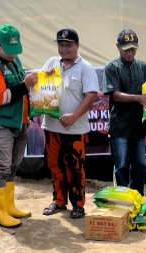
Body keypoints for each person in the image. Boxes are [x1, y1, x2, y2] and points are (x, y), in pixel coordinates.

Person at [0, 24, 39, 229]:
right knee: (1, 167)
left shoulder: (13, 59)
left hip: (19, 122)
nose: (13, 55)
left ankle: (9, 206)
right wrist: (26, 85)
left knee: (13, 166)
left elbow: (21, 89)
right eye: (9, 50)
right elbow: (1, 98)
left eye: (16, 50)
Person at [41, 29, 100, 220]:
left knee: (75, 167)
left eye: (68, 45)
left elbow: (91, 96)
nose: (64, 48)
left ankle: (78, 204)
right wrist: (43, 77)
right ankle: (59, 201)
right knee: (54, 165)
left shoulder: (86, 68)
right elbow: (39, 88)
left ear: (77, 46)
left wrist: (74, 116)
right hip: (52, 126)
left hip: (75, 128)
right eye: (61, 44)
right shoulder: (51, 63)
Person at [104, 29, 146, 195]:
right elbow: (115, 95)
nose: (130, 52)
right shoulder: (112, 67)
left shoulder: (144, 67)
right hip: (119, 127)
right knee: (122, 165)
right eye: (126, 49)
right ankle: (122, 200)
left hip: (139, 126)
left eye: (133, 49)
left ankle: (137, 198)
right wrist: (138, 98)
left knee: (141, 165)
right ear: (118, 47)